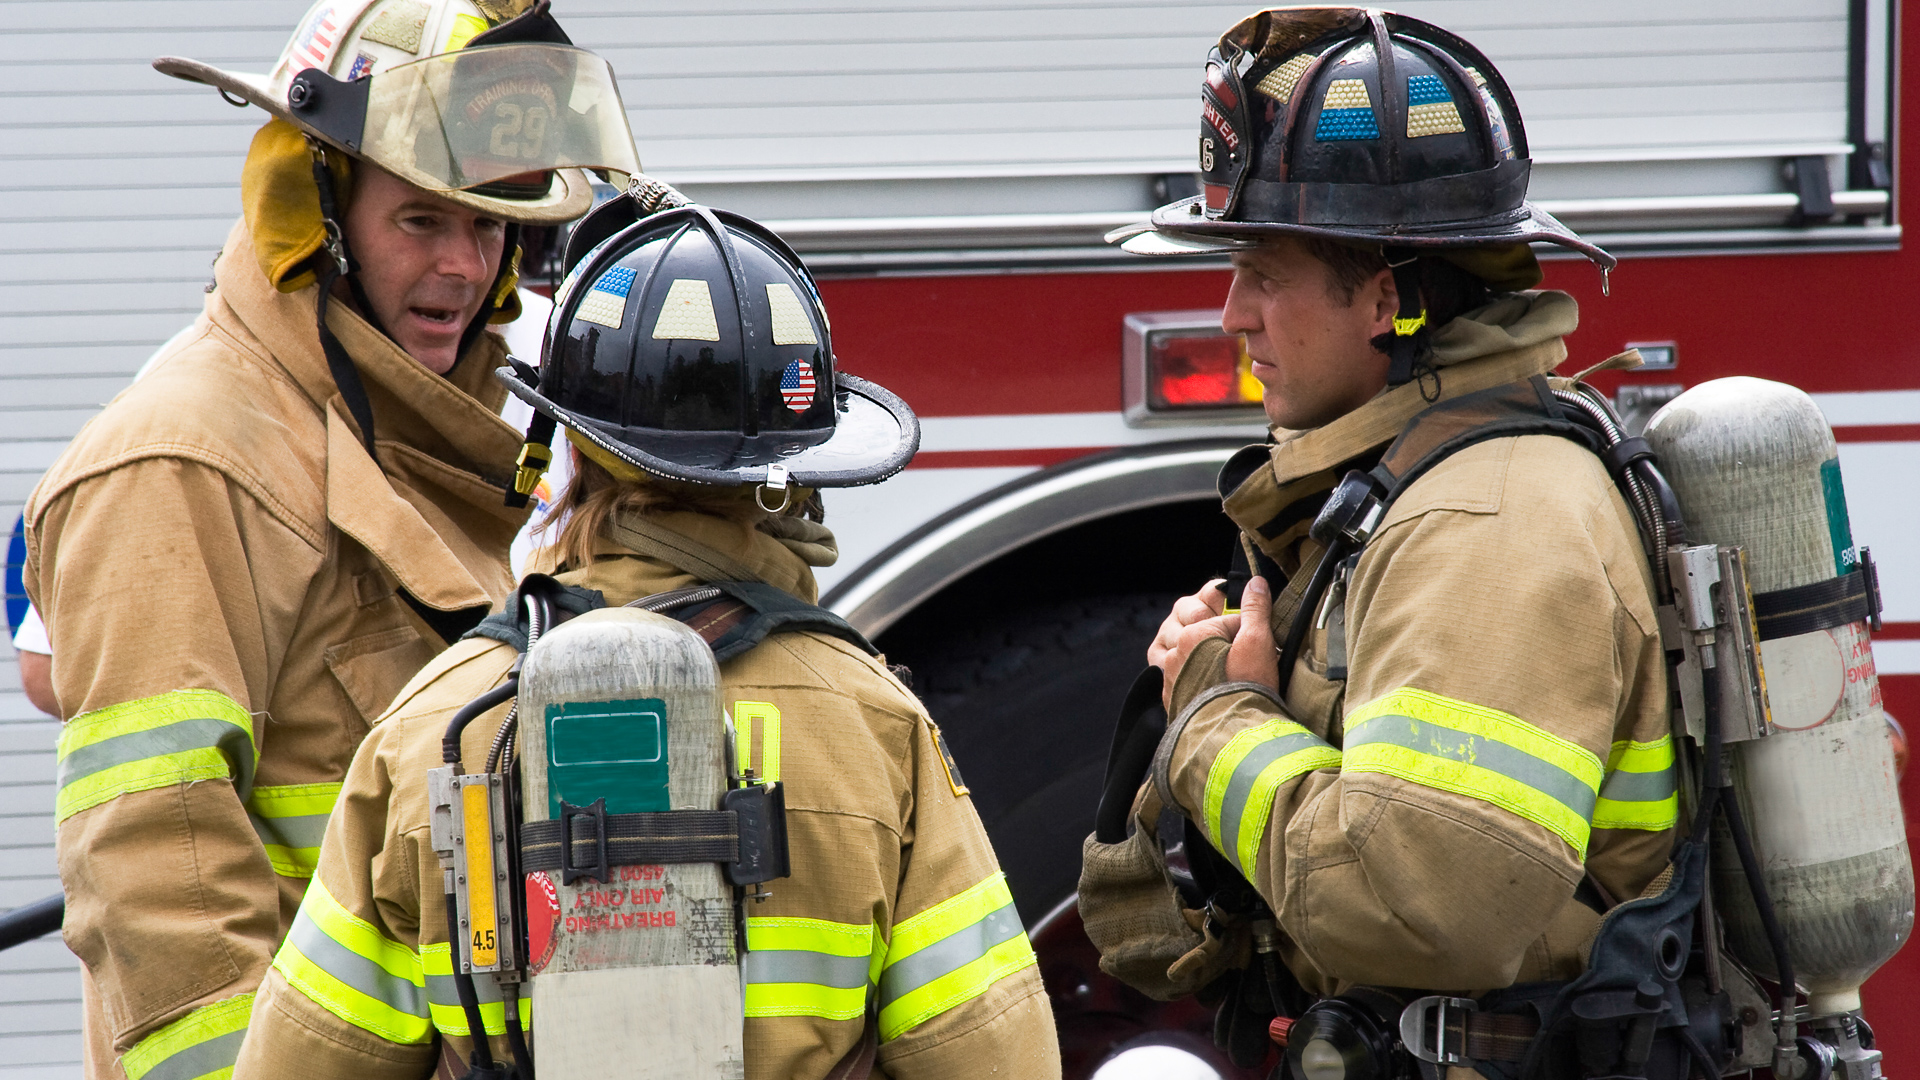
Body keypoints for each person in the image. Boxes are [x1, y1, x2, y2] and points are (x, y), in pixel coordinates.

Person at [232, 202, 1062, 1078]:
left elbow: (302, 1064)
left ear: (574, 452)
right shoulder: (875, 727)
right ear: (791, 479)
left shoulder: (436, 724)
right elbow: (999, 1060)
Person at [21, 2, 643, 1076]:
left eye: (491, 224)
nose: (464, 266)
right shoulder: (185, 461)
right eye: (422, 220)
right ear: (314, 211)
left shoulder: (413, 433)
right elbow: (154, 870)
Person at [1082, 7, 1681, 1072]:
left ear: (1386, 299)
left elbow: (1419, 906)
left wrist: (1217, 719)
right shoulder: (1419, 488)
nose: (1232, 316)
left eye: (1266, 276)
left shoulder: (1485, 523)